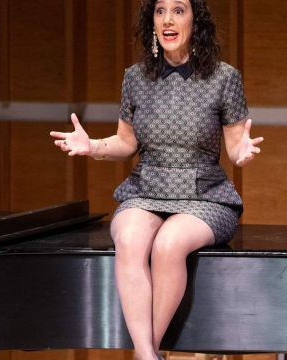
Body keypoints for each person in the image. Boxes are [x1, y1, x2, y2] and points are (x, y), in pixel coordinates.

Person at [49, 0, 263, 358]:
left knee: (168, 245)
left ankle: (145, 351)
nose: (168, 19)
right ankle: (148, 355)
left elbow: (235, 145)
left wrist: (242, 154)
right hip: (146, 189)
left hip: (205, 195)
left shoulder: (225, 78)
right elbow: (126, 142)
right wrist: (93, 147)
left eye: (179, 10)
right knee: (129, 238)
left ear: (197, 20)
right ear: (152, 21)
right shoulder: (134, 78)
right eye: (161, 10)